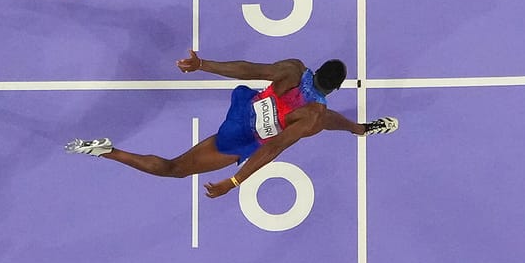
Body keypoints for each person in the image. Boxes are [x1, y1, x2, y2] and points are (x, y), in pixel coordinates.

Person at [66, 50, 398, 194]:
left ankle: (361, 128)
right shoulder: (313, 116)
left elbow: (247, 68)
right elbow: (271, 151)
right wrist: (235, 181)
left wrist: (202, 65)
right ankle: (109, 151)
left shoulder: (293, 69)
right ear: (336, 88)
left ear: (316, 68)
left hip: (243, 111)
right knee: (173, 168)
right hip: (241, 140)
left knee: (328, 121)